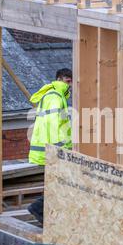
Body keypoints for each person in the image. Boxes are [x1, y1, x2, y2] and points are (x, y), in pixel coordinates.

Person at [27, 68, 73, 223]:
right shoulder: (54, 96)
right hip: (52, 150)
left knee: (59, 182)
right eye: (68, 81)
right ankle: (38, 209)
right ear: (60, 79)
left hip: (49, 149)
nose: (70, 85)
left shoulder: (56, 95)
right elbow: (53, 126)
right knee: (61, 183)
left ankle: (44, 212)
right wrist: (57, 150)